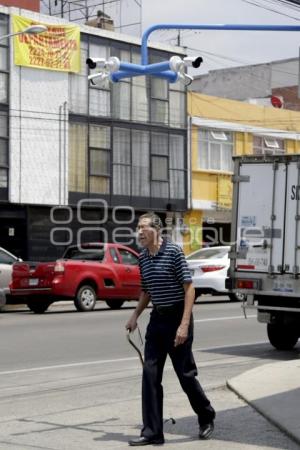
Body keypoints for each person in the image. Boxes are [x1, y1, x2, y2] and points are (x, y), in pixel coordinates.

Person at [126, 212, 215, 446]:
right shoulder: (143, 257)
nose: (140, 232)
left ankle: (206, 415)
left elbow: (189, 289)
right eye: (138, 228)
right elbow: (146, 290)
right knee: (150, 375)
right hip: (157, 319)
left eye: (143, 227)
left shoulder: (174, 252)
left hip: (178, 317)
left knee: (185, 376)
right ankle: (152, 432)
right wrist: (135, 314)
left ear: (156, 230)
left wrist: (184, 325)